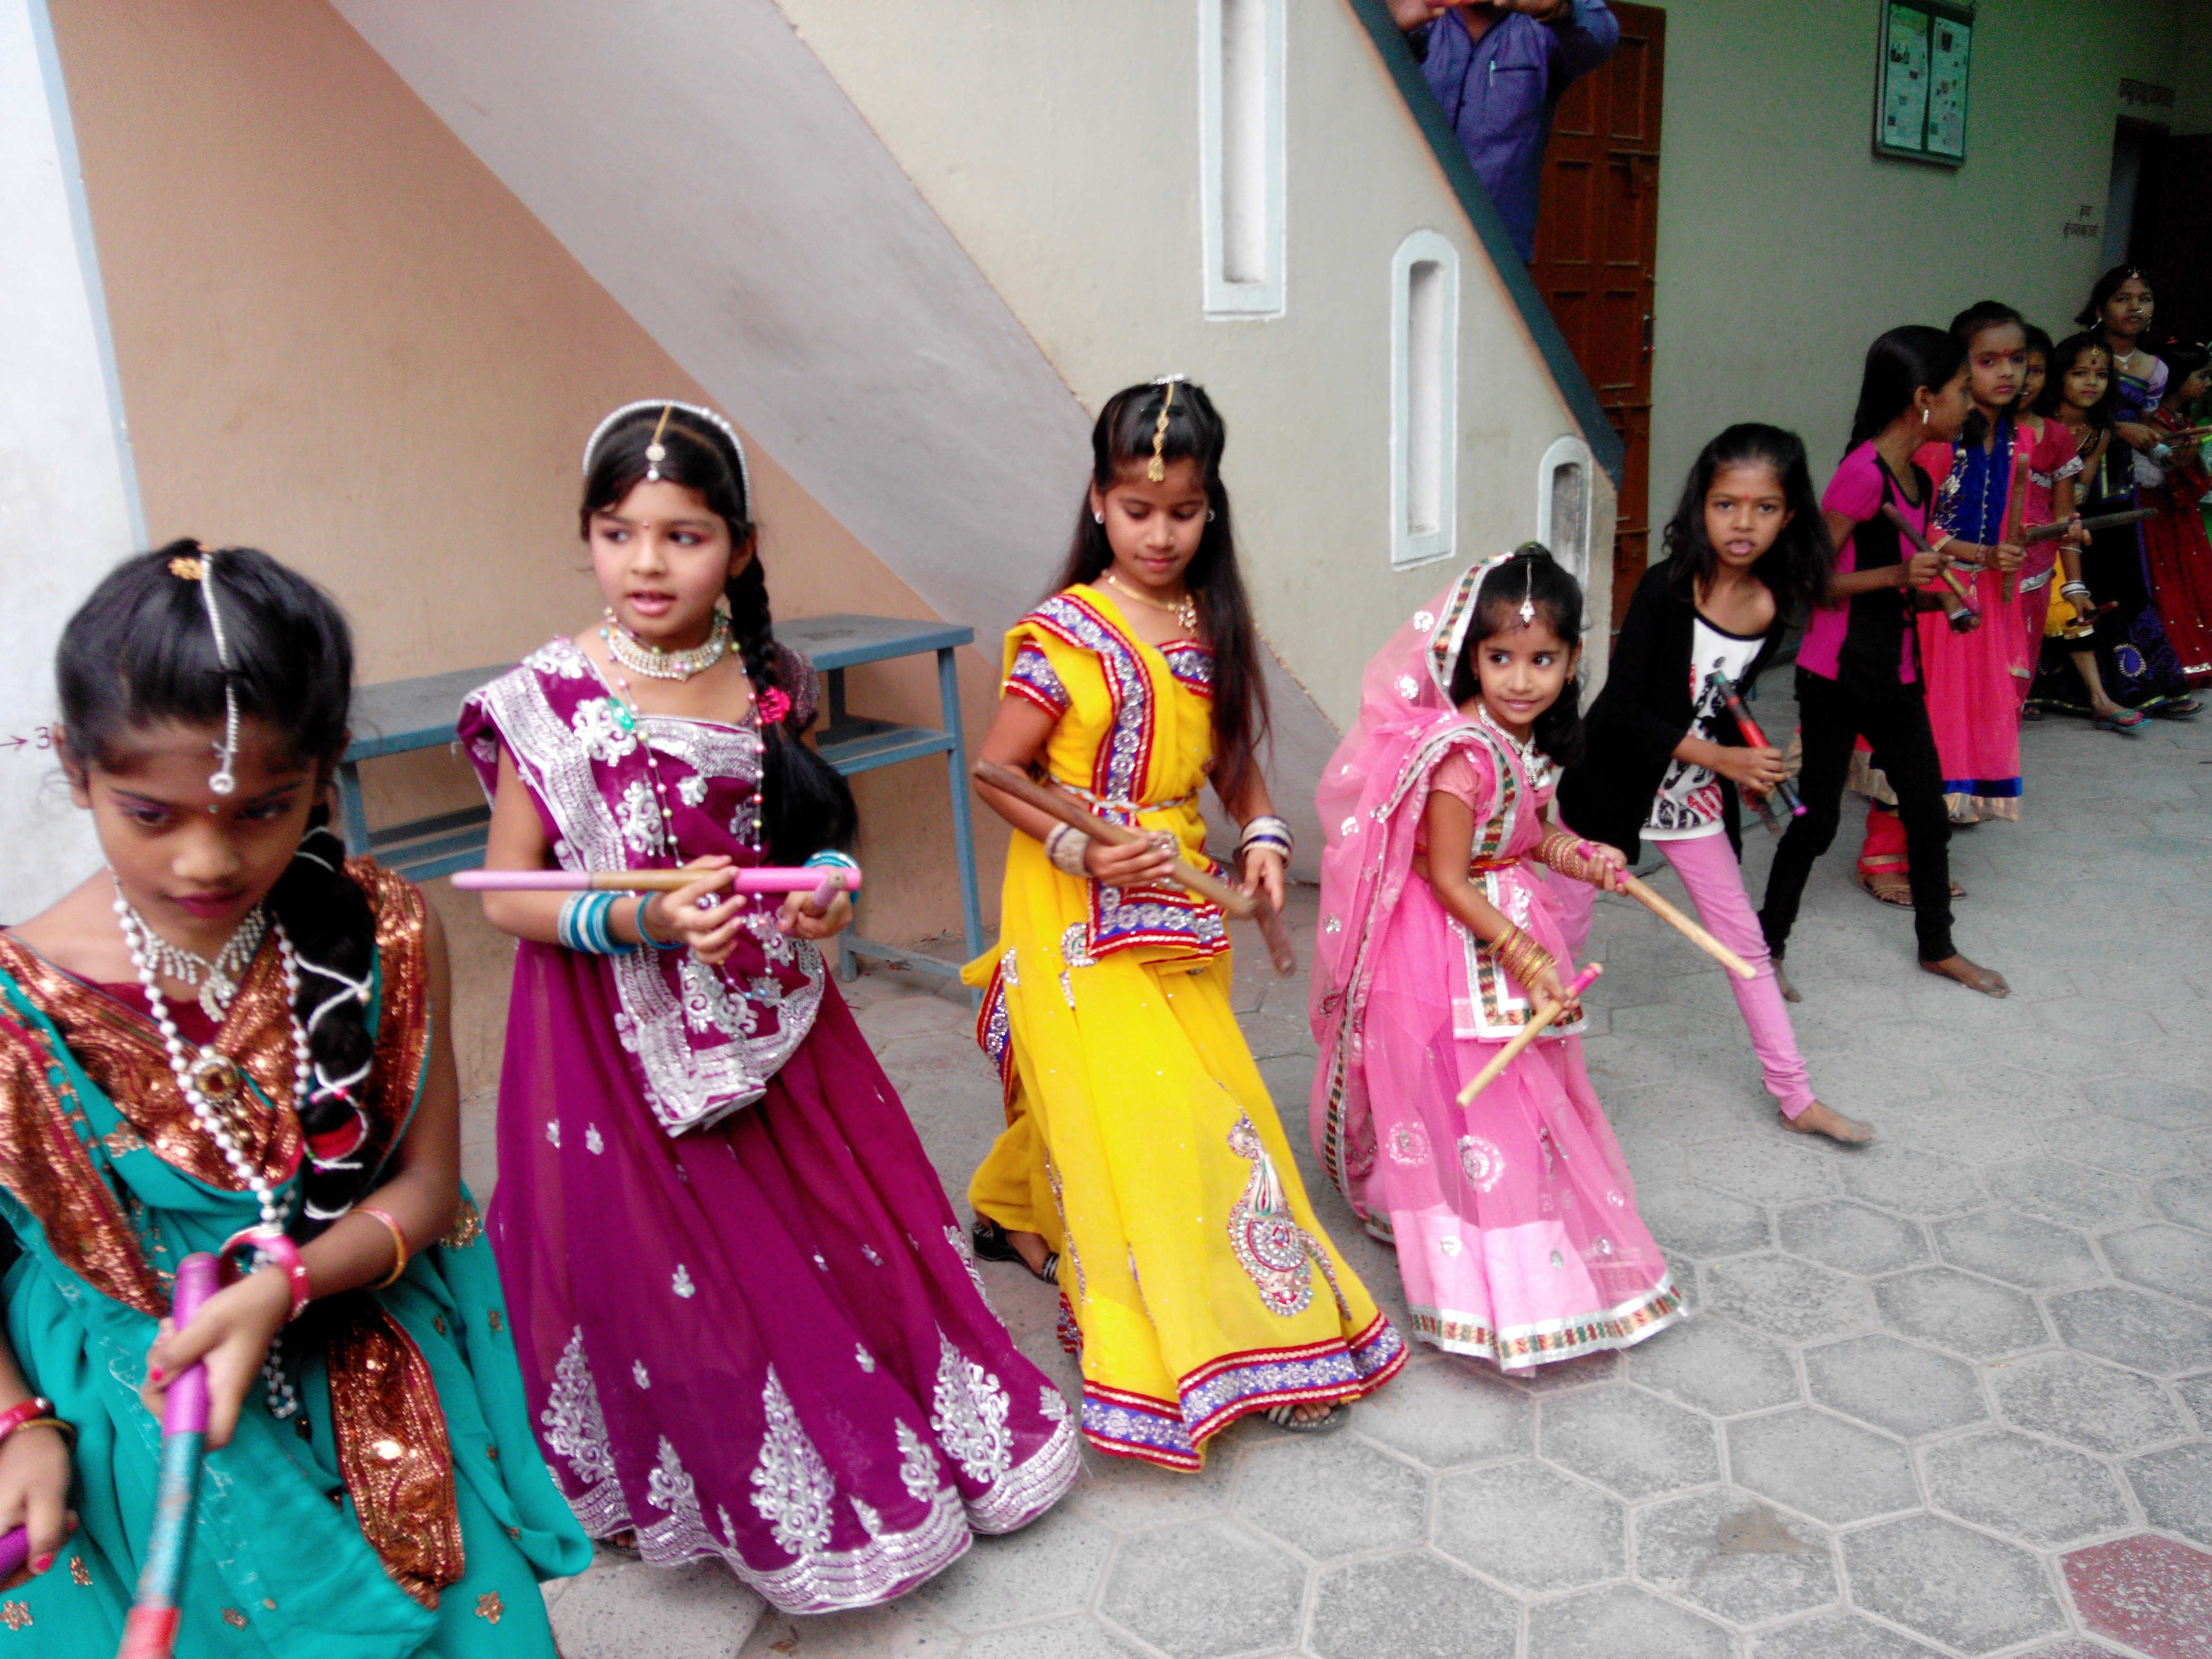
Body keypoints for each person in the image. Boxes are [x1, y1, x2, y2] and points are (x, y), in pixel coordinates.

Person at [462, 401, 1076, 1613]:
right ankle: (718, 1481)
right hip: (608, 1033)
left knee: (824, 1233)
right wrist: (639, 920)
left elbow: (804, 843)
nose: (646, 563)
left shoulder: (772, 677)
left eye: (682, 535)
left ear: (738, 547)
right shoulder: (547, 701)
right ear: (588, 537)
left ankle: (890, 1430)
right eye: (618, 532)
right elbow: (510, 894)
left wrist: (828, 891)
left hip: (776, 1020)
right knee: (668, 1261)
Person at [0, 544, 589, 1653]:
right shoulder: (14, 1005)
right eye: (152, 815)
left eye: (260, 811)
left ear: (324, 773)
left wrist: (287, 1285)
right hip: (127, 1431)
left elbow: (427, 1189)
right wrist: (18, 1427)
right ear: (75, 769)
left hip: (371, 1386)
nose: (207, 862)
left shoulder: (385, 929)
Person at [964, 379, 1404, 1469]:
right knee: (1171, 1115)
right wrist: (1081, 848)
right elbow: (998, 769)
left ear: (1212, 509)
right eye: (1136, 509)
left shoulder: (1211, 625)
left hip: (1177, 889)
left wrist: (1264, 837)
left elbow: (1231, 759)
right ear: (1098, 503)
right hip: (1072, 895)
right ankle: (1236, 1344)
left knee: (1121, 1095)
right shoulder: (1065, 635)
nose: (1159, 534)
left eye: (1184, 511)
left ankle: (1013, 1209)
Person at [1310, 547, 1681, 1368]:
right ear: (1471, 658)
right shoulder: (1460, 753)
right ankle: (1484, 1271)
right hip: (1445, 944)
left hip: (1505, 923)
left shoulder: (1527, 740)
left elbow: (1526, 834)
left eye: (1542, 660)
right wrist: (1526, 958)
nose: (1520, 680)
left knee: (1517, 1091)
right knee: (1469, 1098)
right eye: (1501, 658)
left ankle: (1525, 1245)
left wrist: (1582, 855)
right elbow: (1448, 875)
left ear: (1573, 661)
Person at [1553, 426, 1872, 1145]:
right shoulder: (1665, 588)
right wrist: (1724, 759)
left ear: (1790, 516)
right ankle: (1536, 1084)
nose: (1743, 523)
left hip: (1690, 798)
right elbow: (1619, 711)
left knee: (1745, 949)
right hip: (1608, 789)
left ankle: (1796, 1097)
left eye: (1765, 508)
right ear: (1701, 505)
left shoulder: (1773, 603)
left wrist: (1748, 765)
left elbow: (1721, 697)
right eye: (1726, 504)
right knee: (1558, 941)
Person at [1756, 326, 2008, 999]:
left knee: (1926, 813)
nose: (1969, 403)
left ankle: (1937, 948)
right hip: (1834, 674)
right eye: (1961, 390)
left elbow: (1893, 584)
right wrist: (1899, 574)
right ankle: (1765, 947)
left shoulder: (1917, 479)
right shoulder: (1860, 474)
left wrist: (1938, 597)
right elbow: (1807, 584)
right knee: (1816, 823)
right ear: (1923, 398)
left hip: (1894, 669)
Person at [1849, 302, 2032, 899]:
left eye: (2017, 359)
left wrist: (2027, 541)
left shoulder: (2017, 437)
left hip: (1981, 603)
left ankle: (1917, 851)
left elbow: (2004, 519)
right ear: (1957, 370)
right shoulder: (1936, 440)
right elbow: (1917, 525)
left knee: (1951, 736)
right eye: (1987, 361)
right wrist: (1980, 554)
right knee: (1919, 730)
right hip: (1933, 600)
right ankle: (1881, 857)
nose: (2006, 372)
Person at [1392, 1, 1620, 263]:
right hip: (1398, 231)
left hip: (1497, 247)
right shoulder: (1411, 13)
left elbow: (1602, 36)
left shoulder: (1541, 31)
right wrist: (1383, 24)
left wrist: (1554, 7)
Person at [2073, 265, 2201, 717]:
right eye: (2123, 298)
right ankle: (2082, 689)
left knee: (2129, 583)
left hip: (2122, 486)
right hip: (2073, 481)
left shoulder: (2155, 368)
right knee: (2082, 581)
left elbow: (2146, 432)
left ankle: (2144, 681)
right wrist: (2116, 428)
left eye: (2144, 299)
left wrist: (2172, 450)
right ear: (2100, 307)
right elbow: (2061, 414)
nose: (2135, 307)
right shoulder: (2079, 355)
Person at [2031, 334, 2147, 732]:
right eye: (2080, 373)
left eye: (2100, 375)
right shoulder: (2035, 422)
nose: (2091, 383)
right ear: (2058, 377)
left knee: (2073, 607)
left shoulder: (2099, 431)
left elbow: (2079, 490)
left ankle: (2099, 698)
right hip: (2015, 534)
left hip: (2060, 529)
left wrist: (2064, 504)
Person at [2009, 326, 2088, 717]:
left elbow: (2064, 518)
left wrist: (2074, 585)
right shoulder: (1965, 430)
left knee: (2017, 665)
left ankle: (2002, 738)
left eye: (2036, 371)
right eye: (2016, 368)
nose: (2024, 381)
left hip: (2035, 573)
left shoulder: (2056, 436)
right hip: (1977, 568)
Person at [2136, 341, 2212, 684]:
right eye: (2202, 376)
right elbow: (2166, 473)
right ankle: (2178, 661)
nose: (2208, 384)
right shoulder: (2153, 422)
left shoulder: (2181, 419)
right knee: (2168, 582)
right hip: (2159, 512)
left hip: (2181, 514)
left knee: (2192, 578)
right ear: (2178, 378)